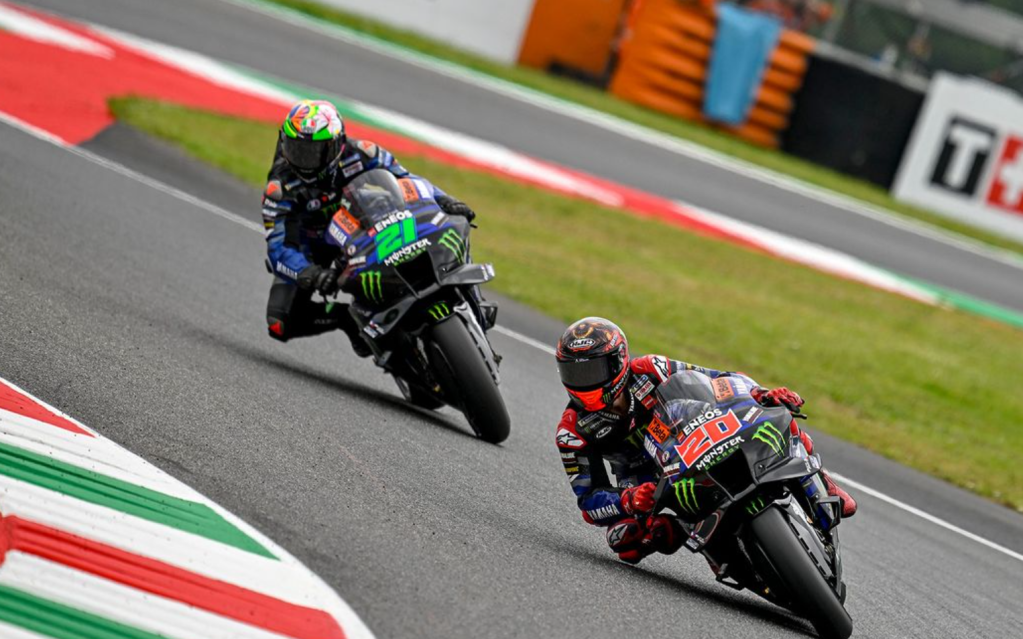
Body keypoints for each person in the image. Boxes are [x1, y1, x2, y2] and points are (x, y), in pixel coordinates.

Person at [554, 317, 856, 565]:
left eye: (592, 370)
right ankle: (695, 535)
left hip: (691, 438)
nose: (584, 382)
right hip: (647, 483)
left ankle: (821, 482)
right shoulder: (572, 430)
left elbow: (719, 380)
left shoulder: (650, 368)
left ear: (618, 362)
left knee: (777, 414)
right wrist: (628, 499)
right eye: (574, 372)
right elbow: (589, 501)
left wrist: (762, 393)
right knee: (623, 541)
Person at [261, 99, 476, 355]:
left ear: (336, 145)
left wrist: (445, 200)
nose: (302, 160)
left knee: (441, 225)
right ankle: (347, 319)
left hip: (365, 224)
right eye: (296, 149)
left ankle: (461, 289)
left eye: (311, 152)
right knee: (279, 323)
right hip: (314, 246)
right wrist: (310, 273)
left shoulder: (363, 152)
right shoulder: (279, 187)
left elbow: (407, 179)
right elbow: (277, 247)